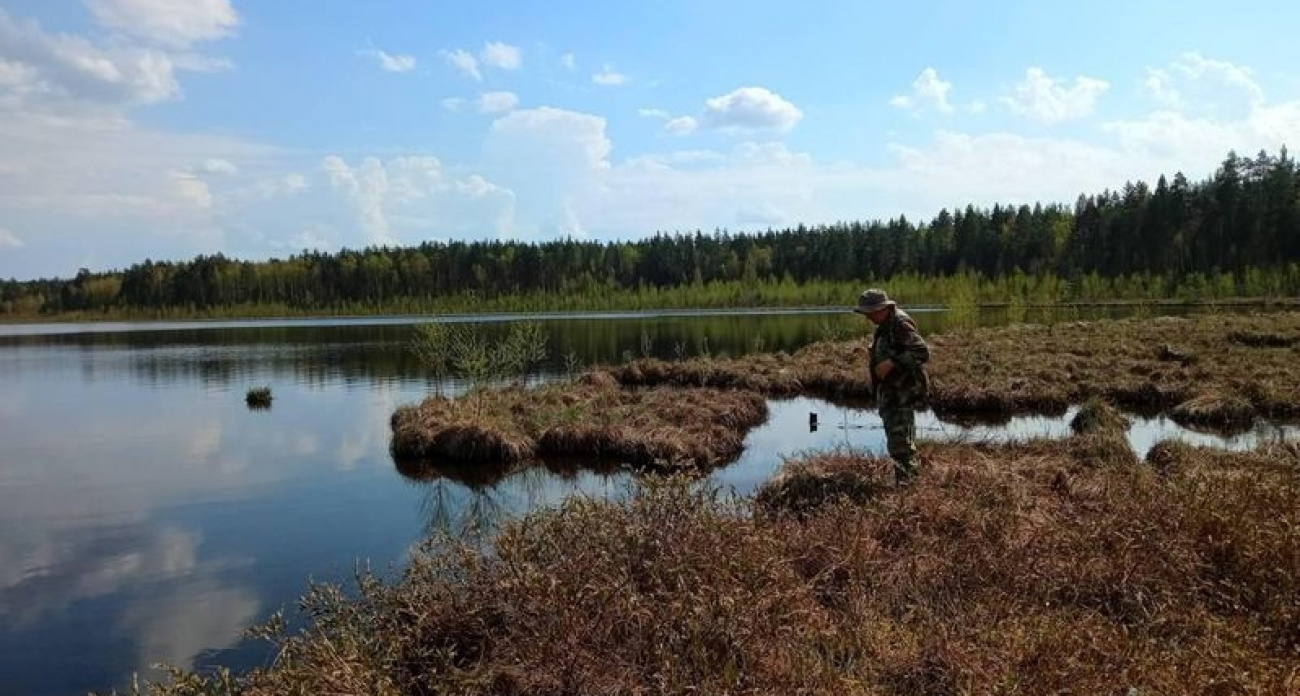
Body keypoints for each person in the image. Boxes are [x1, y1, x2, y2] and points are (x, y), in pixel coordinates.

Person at [854, 288, 930, 484]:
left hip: (901, 392)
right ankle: (906, 481)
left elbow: (922, 352)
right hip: (893, 392)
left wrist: (891, 362)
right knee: (901, 440)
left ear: (882, 308)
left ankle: (907, 487)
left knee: (900, 444)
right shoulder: (886, 324)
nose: (868, 317)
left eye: (870, 312)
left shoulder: (900, 324)